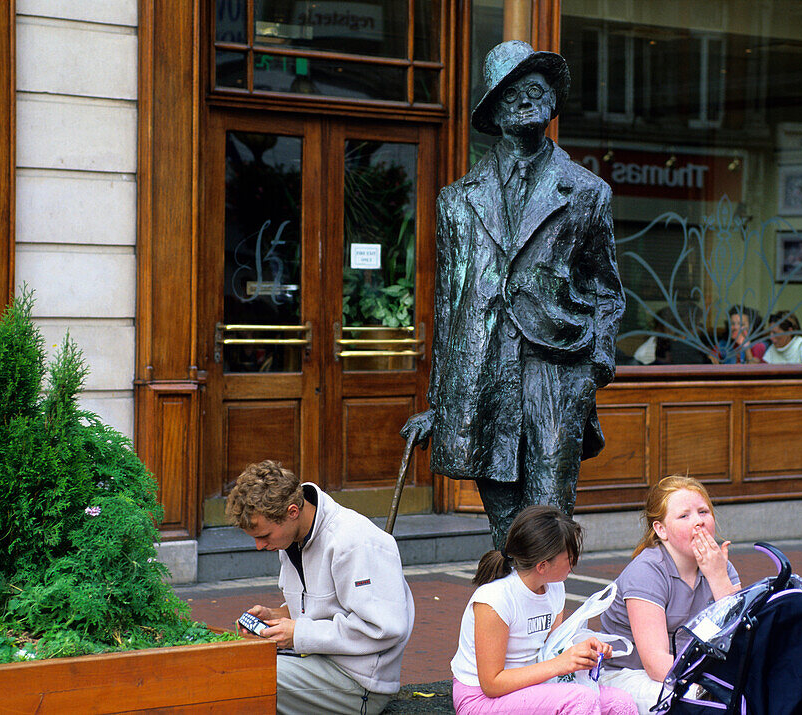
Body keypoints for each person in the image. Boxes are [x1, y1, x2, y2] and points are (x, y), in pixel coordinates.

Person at [401, 40, 624, 549]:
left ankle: (545, 622)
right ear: (494, 111)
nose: (524, 101)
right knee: (505, 529)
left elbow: (608, 291)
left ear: (551, 104)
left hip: (558, 369)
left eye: (535, 90)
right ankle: (515, 623)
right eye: (509, 93)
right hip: (481, 374)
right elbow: (448, 305)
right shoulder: (457, 200)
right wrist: (440, 401)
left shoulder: (586, 191)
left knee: (548, 521)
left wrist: (594, 369)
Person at [225, 460, 414, 715]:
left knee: (241, 678)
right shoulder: (291, 536)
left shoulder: (355, 541)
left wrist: (298, 634)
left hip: (360, 683)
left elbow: (384, 628)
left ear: (292, 511)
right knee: (223, 664)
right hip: (315, 663)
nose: (259, 546)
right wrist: (278, 616)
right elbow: (319, 608)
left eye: (264, 536)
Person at [450, 505, 637, 715]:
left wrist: (582, 649)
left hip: (531, 687)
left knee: (621, 701)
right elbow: (492, 684)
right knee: (580, 699)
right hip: (480, 699)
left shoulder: (554, 588)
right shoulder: (494, 600)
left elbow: (551, 650)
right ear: (542, 566)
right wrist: (560, 664)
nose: (574, 562)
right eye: (569, 557)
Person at [598, 476, 740, 715]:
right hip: (629, 674)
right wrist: (709, 686)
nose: (698, 522)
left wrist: (718, 580)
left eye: (703, 512)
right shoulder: (647, 571)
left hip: (694, 669)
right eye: (684, 516)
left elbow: (737, 640)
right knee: (700, 701)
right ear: (660, 529)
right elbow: (656, 665)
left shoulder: (720, 566)